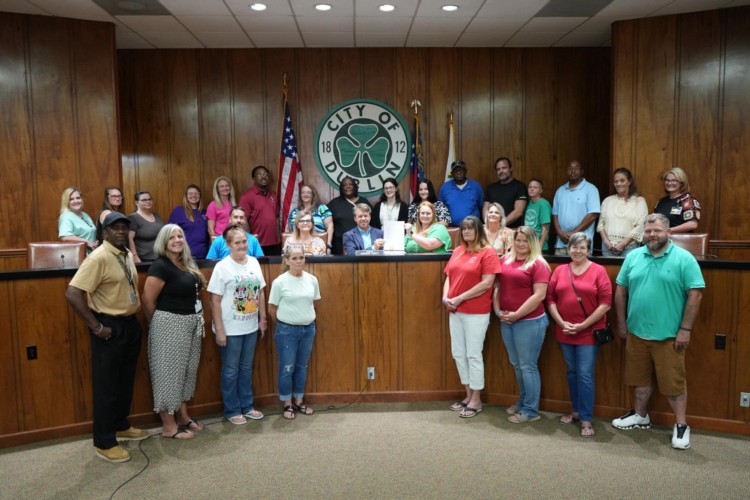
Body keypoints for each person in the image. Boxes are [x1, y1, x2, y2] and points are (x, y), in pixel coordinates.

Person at [611, 213, 705, 450]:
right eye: (649, 231)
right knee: (639, 380)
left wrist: (685, 329)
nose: (652, 235)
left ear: (668, 232)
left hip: (670, 336)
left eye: (657, 230)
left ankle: (681, 425)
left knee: (674, 385)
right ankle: (641, 416)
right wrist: (622, 324)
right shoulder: (633, 256)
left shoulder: (684, 259)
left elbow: (696, 295)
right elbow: (620, 291)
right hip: (636, 334)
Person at [65, 212, 148, 463]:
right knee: (106, 386)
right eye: (115, 228)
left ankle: (120, 425)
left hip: (129, 325)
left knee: (124, 381)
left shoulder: (124, 254)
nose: (121, 231)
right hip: (108, 327)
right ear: (105, 233)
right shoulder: (99, 257)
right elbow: (72, 293)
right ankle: (104, 441)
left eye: (124, 227)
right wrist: (96, 326)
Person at [141, 224, 207, 440]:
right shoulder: (160, 266)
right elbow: (148, 300)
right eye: (172, 238)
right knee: (168, 375)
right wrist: (159, 326)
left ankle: (183, 416)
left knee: (186, 373)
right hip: (168, 324)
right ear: (163, 242)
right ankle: (168, 425)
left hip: (191, 323)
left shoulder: (186, 263)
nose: (177, 240)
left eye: (180, 236)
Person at [546, 232, 612, 438]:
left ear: (588, 249)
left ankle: (586, 419)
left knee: (584, 375)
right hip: (565, 330)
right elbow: (550, 299)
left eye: (582, 247)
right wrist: (560, 321)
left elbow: (605, 303)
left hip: (589, 333)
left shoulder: (599, 271)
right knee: (572, 372)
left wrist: (583, 325)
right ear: (568, 249)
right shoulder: (559, 271)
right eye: (574, 247)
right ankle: (575, 411)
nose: (578, 251)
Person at [207, 224, 267, 425]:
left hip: (250, 326)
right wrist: (220, 331)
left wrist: (263, 319)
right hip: (230, 329)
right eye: (237, 242)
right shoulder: (221, 267)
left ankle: (247, 406)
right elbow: (214, 300)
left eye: (244, 241)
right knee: (231, 370)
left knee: (246, 368)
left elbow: (260, 291)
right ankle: (232, 409)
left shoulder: (254, 263)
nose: (242, 245)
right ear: (228, 244)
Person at [442, 216, 501, 418]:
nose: (466, 232)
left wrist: (459, 298)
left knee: (473, 354)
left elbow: (486, 284)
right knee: (458, 353)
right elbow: (449, 276)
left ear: (479, 230)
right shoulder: (458, 251)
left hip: (476, 312)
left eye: (470, 228)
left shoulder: (488, 252)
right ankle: (467, 395)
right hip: (455, 310)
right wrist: (445, 297)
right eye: (464, 229)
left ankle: (476, 399)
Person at [493, 226, 551, 423]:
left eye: (525, 241)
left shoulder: (539, 264)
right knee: (517, 365)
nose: (520, 244)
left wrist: (517, 314)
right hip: (507, 320)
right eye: (518, 240)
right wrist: (498, 310)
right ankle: (524, 400)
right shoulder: (505, 260)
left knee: (528, 366)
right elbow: (498, 287)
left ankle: (531, 411)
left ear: (532, 243)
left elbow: (539, 296)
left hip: (530, 322)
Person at [268, 245, 321, 420]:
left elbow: (313, 304)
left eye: (302, 258)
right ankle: (287, 403)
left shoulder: (312, 279)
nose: (299, 261)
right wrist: (287, 323)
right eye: (295, 258)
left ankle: (299, 401)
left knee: (301, 367)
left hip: (308, 329)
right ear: (287, 260)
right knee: (287, 368)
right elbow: (272, 309)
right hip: (286, 331)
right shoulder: (279, 282)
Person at [551, 160, 601, 255]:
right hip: (561, 243)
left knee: (581, 269)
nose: (572, 171)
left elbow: (593, 214)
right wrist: (559, 232)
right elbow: (555, 213)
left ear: (582, 171)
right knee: (561, 268)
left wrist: (574, 233)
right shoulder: (560, 191)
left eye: (576, 168)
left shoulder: (591, 189)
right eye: (570, 168)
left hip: (581, 245)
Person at [598, 167, 648, 257]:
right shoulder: (607, 201)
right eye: (616, 181)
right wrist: (607, 243)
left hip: (630, 248)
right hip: (608, 248)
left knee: (629, 271)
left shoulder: (639, 201)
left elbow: (641, 225)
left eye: (622, 181)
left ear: (629, 181)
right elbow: (601, 225)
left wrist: (623, 244)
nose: (618, 184)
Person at [239, 165, 281, 255]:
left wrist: (278, 238)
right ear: (254, 178)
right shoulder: (246, 197)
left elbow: (276, 218)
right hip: (257, 243)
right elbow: (243, 220)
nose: (263, 177)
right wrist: (249, 240)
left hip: (275, 243)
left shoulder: (273, 195)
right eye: (259, 175)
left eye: (266, 174)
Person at [328, 176, 372, 255]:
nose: (348, 186)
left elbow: (373, 223)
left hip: (362, 244)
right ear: (341, 188)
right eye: (345, 185)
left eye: (350, 184)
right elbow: (327, 224)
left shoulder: (364, 202)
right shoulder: (334, 203)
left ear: (355, 187)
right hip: (339, 246)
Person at [654, 167, 701, 234]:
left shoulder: (688, 200)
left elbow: (693, 224)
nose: (670, 183)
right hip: (661, 240)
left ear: (682, 183)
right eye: (667, 180)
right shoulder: (661, 202)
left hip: (680, 240)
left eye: (674, 180)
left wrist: (669, 230)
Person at [484, 157, 528, 228]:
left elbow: (518, 211)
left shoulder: (520, 186)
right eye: (498, 169)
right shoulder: (491, 188)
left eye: (504, 168)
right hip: (492, 230)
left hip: (513, 231)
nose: (501, 171)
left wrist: (500, 225)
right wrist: (488, 224)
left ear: (511, 168)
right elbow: (485, 209)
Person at [168, 184, 209, 259]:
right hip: (184, 255)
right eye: (190, 193)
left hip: (204, 255)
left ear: (200, 196)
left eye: (196, 193)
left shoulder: (205, 212)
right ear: (186, 196)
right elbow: (169, 233)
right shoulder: (178, 211)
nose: (193, 195)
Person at [287, 184, 334, 250]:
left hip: (319, 245)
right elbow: (290, 229)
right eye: (303, 192)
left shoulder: (321, 208)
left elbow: (330, 225)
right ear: (300, 195)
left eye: (308, 192)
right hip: (297, 246)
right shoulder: (294, 212)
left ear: (313, 195)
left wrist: (328, 244)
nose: (306, 194)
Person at [438, 160, 484, 226]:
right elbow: (440, 210)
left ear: (466, 171)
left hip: (473, 228)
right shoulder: (444, 188)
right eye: (456, 170)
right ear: (452, 173)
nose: (458, 172)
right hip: (451, 229)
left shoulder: (476, 186)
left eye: (461, 170)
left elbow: (481, 207)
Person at [128, 190, 164, 263]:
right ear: (137, 202)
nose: (148, 202)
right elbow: (129, 239)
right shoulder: (133, 218)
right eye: (144, 200)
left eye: (150, 199)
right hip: (144, 259)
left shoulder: (156, 215)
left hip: (161, 257)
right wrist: (135, 256)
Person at [58, 187, 98, 252]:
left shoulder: (85, 214)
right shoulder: (66, 217)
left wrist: (95, 242)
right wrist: (87, 242)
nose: (76, 201)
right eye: (71, 199)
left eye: (78, 198)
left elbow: (90, 233)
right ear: (67, 202)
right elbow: (65, 237)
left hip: (91, 254)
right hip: (78, 256)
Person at [524, 179, 551, 252]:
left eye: (535, 187)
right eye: (530, 187)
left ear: (541, 190)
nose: (532, 189)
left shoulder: (543, 204)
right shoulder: (529, 203)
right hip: (528, 244)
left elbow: (545, 227)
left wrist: (540, 246)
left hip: (538, 246)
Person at [206, 176, 236, 240]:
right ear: (217, 189)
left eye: (227, 185)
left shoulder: (233, 204)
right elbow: (210, 229)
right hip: (220, 239)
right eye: (221, 186)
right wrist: (214, 243)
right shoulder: (213, 205)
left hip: (232, 239)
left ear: (230, 188)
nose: (225, 188)